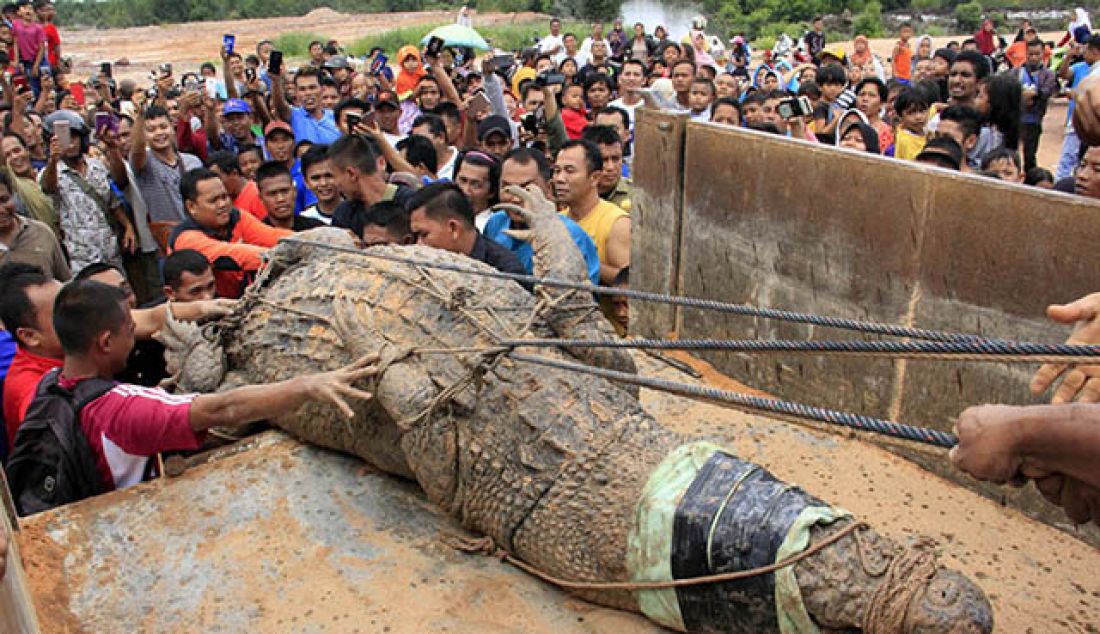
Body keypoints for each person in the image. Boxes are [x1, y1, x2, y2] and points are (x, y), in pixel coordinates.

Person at [22, 278, 376, 499]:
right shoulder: (121, 409)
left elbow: (152, 323)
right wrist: (307, 386)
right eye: (130, 330)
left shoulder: (50, 384)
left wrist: (204, 307)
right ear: (104, 342)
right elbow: (221, 410)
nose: (136, 334)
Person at [168, 168, 291, 299]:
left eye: (224, 197)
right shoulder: (186, 239)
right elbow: (237, 255)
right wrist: (289, 256)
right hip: (202, 309)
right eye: (213, 200)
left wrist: (309, 240)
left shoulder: (236, 217)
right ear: (191, 206)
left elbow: (273, 236)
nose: (223, 204)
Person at [482, 147, 600, 284]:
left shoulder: (571, 236)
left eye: (526, 189)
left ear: (549, 188)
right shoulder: (495, 223)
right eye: (507, 188)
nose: (515, 198)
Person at [40, 111, 135, 273]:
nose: (70, 144)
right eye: (64, 138)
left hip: (109, 251)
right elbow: (48, 187)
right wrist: (53, 159)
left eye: (74, 138)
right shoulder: (50, 172)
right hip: (80, 257)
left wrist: (128, 226)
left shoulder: (97, 166)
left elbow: (112, 201)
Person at [407, 182, 525, 277]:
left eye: (424, 234)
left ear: (453, 228)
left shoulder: (506, 273)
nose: (418, 245)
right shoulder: (420, 267)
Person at [554, 139, 629, 286]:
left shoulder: (616, 224)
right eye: (557, 171)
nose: (560, 179)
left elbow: (629, 283)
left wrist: (585, 262)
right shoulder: (557, 221)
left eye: (570, 171)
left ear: (594, 178)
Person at [328, 134, 415, 239]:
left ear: (351, 174)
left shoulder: (410, 203)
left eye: (333, 176)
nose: (334, 184)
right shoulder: (344, 213)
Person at [131, 104, 204, 223]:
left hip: (198, 233)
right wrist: (140, 117)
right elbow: (136, 150)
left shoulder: (192, 162)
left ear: (172, 127)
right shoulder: (145, 165)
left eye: (163, 127)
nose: (159, 132)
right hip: (169, 237)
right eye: (151, 130)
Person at [0, 168, 68, 280]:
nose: (1, 210)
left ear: (13, 196)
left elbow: (64, 284)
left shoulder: (42, 233)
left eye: (4, 200)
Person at [272, 66, 341, 146]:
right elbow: (280, 106)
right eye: (302, 89)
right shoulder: (294, 115)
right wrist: (275, 80)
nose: (307, 93)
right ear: (296, 92)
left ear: (322, 89)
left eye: (312, 88)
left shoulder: (336, 118)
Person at [1016, 39, 1057, 172]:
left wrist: (1034, 93)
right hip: (1016, 118)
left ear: (1043, 54)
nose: (1033, 57)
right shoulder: (1018, 72)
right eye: (1030, 54)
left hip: (1033, 119)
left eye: (1036, 54)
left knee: (1029, 155)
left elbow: (1046, 92)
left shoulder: (1048, 74)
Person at [255, 161, 325, 232]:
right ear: (261, 198)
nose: (280, 199)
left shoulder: (317, 230)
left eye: (285, 191)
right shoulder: (256, 237)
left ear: (294, 191)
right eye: (272, 194)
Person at [208, 150, 267, 221]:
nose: (215, 184)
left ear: (234, 173)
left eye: (218, 178)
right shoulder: (225, 199)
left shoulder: (256, 195)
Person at [299, 145, 340, 225]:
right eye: (316, 178)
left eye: (329, 175)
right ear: (306, 182)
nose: (323, 183)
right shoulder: (304, 221)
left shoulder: (358, 213)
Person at [893, 86, 930, 161]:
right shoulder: (905, 140)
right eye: (911, 113)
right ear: (900, 116)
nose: (918, 117)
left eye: (922, 111)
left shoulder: (926, 132)